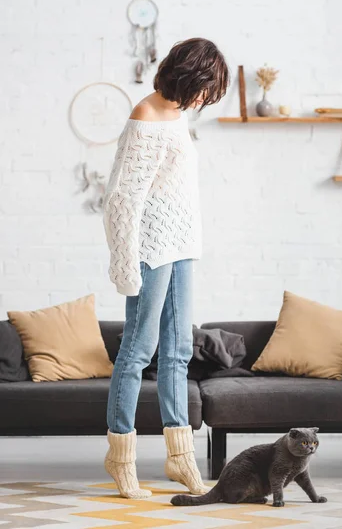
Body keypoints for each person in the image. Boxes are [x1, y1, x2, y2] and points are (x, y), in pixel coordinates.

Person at [102, 37, 229, 499]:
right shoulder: (146, 116)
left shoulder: (175, 115)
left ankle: (180, 457)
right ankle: (121, 458)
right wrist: (125, 264)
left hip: (181, 248)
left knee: (177, 350)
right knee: (138, 349)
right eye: (205, 90)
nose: (204, 100)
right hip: (149, 249)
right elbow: (120, 200)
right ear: (189, 75)